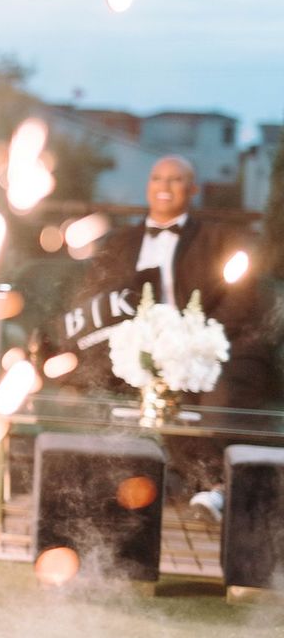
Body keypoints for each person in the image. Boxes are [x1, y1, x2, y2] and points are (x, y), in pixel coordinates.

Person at [76, 155, 275, 522]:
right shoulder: (120, 242)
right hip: (135, 346)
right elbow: (95, 296)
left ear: (192, 189)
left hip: (201, 343)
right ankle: (173, 484)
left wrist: (193, 339)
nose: (164, 186)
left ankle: (209, 485)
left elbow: (241, 298)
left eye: (176, 179)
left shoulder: (218, 239)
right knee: (103, 376)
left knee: (209, 388)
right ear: (148, 187)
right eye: (157, 178)